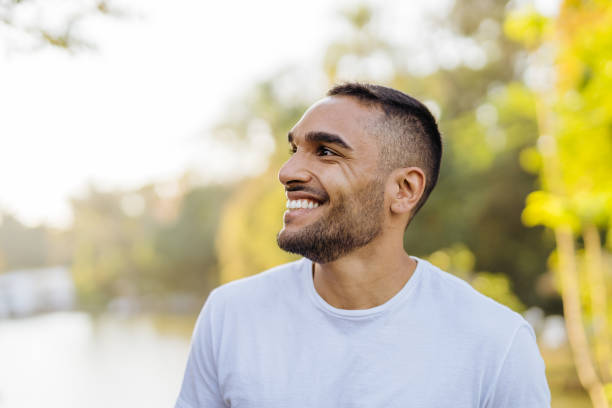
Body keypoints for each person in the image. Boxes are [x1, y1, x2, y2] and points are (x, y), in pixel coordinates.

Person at [175, 83, 551, 407]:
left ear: (404, 190)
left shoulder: (497, 344)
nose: (287, 173)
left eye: (326, 152)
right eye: (295, 150)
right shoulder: (229, 316)